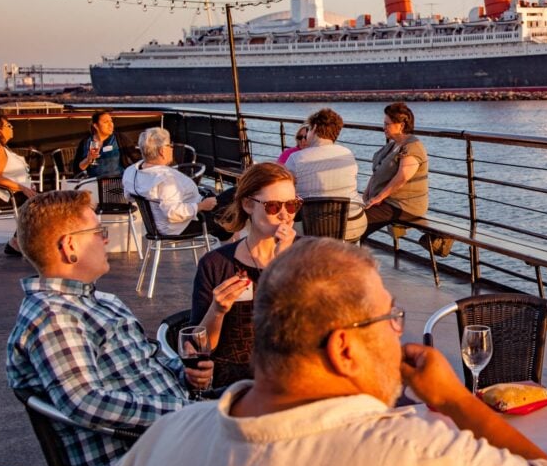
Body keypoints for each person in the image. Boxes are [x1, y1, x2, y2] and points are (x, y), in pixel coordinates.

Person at [108, 237, 547, 466]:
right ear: (344, 349)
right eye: (390, 318)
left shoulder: (166, 438)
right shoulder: (420, 455)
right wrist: (455, 400)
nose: (399, 330)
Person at [6, 190, 213, 466]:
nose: (106, 239)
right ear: (70, 246)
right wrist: (190, 414)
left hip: (170, 442)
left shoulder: (99, 301)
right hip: (137, 464)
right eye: (98, 232)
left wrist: (185, 374)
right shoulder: (53, 316)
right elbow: (86, 402)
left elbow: (141, 366)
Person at [190, 162, 299, 388]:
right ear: (248, 205)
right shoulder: (216, 264)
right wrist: (217, 310)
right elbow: (201, 347)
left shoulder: (307, 257)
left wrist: (282, 265)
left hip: (293, 377)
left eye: (291, 205)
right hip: (235, 384)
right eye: (273, 206)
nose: (285, 215)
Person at [122, 127, 231, 240]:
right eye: (170, 145)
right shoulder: (165, 178)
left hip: (156, 226)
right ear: (162, 151)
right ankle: (231, 238)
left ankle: (229, 233)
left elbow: (129, 197)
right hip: (182, 225)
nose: (172, 149)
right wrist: (202, 206)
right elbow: (173, 213)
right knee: (237, 194)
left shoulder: (131, 171)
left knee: (232, 203)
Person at [286, 108, 367, 241]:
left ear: (315, 128)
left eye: (309, 129)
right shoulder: (348, 153)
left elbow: (287, 192)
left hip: (310, 227)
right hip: (351, 224)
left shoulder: (296, 158)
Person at [362, 102, 429, 240]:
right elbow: (377, 171)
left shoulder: (412, 147)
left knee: (355, 225)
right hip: (386, 202)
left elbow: (402, 177)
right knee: (350, 218)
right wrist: (367, 193)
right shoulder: (393, 146)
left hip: (402, 206)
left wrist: (378, 198)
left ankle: (348, 258)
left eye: (387, 124)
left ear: (401, 126)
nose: (384, 128)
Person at [0, 114, 36, 255]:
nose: (12, 127)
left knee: (39, 200)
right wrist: (22, 188)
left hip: (5, 193)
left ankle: (16, 242)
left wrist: (25, 186)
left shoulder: (0, 147)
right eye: (9, 126)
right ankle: (18, 242)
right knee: (39, 204)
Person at [73, 110, 136, 178]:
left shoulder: (119, 138)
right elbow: (77, 169)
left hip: (117, 182)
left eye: (111, 121)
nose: (111, 125)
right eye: (106, 122)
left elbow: (137, 158)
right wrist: (88, 160)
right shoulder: (86, 142)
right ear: (96, 126)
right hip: (94, 183)